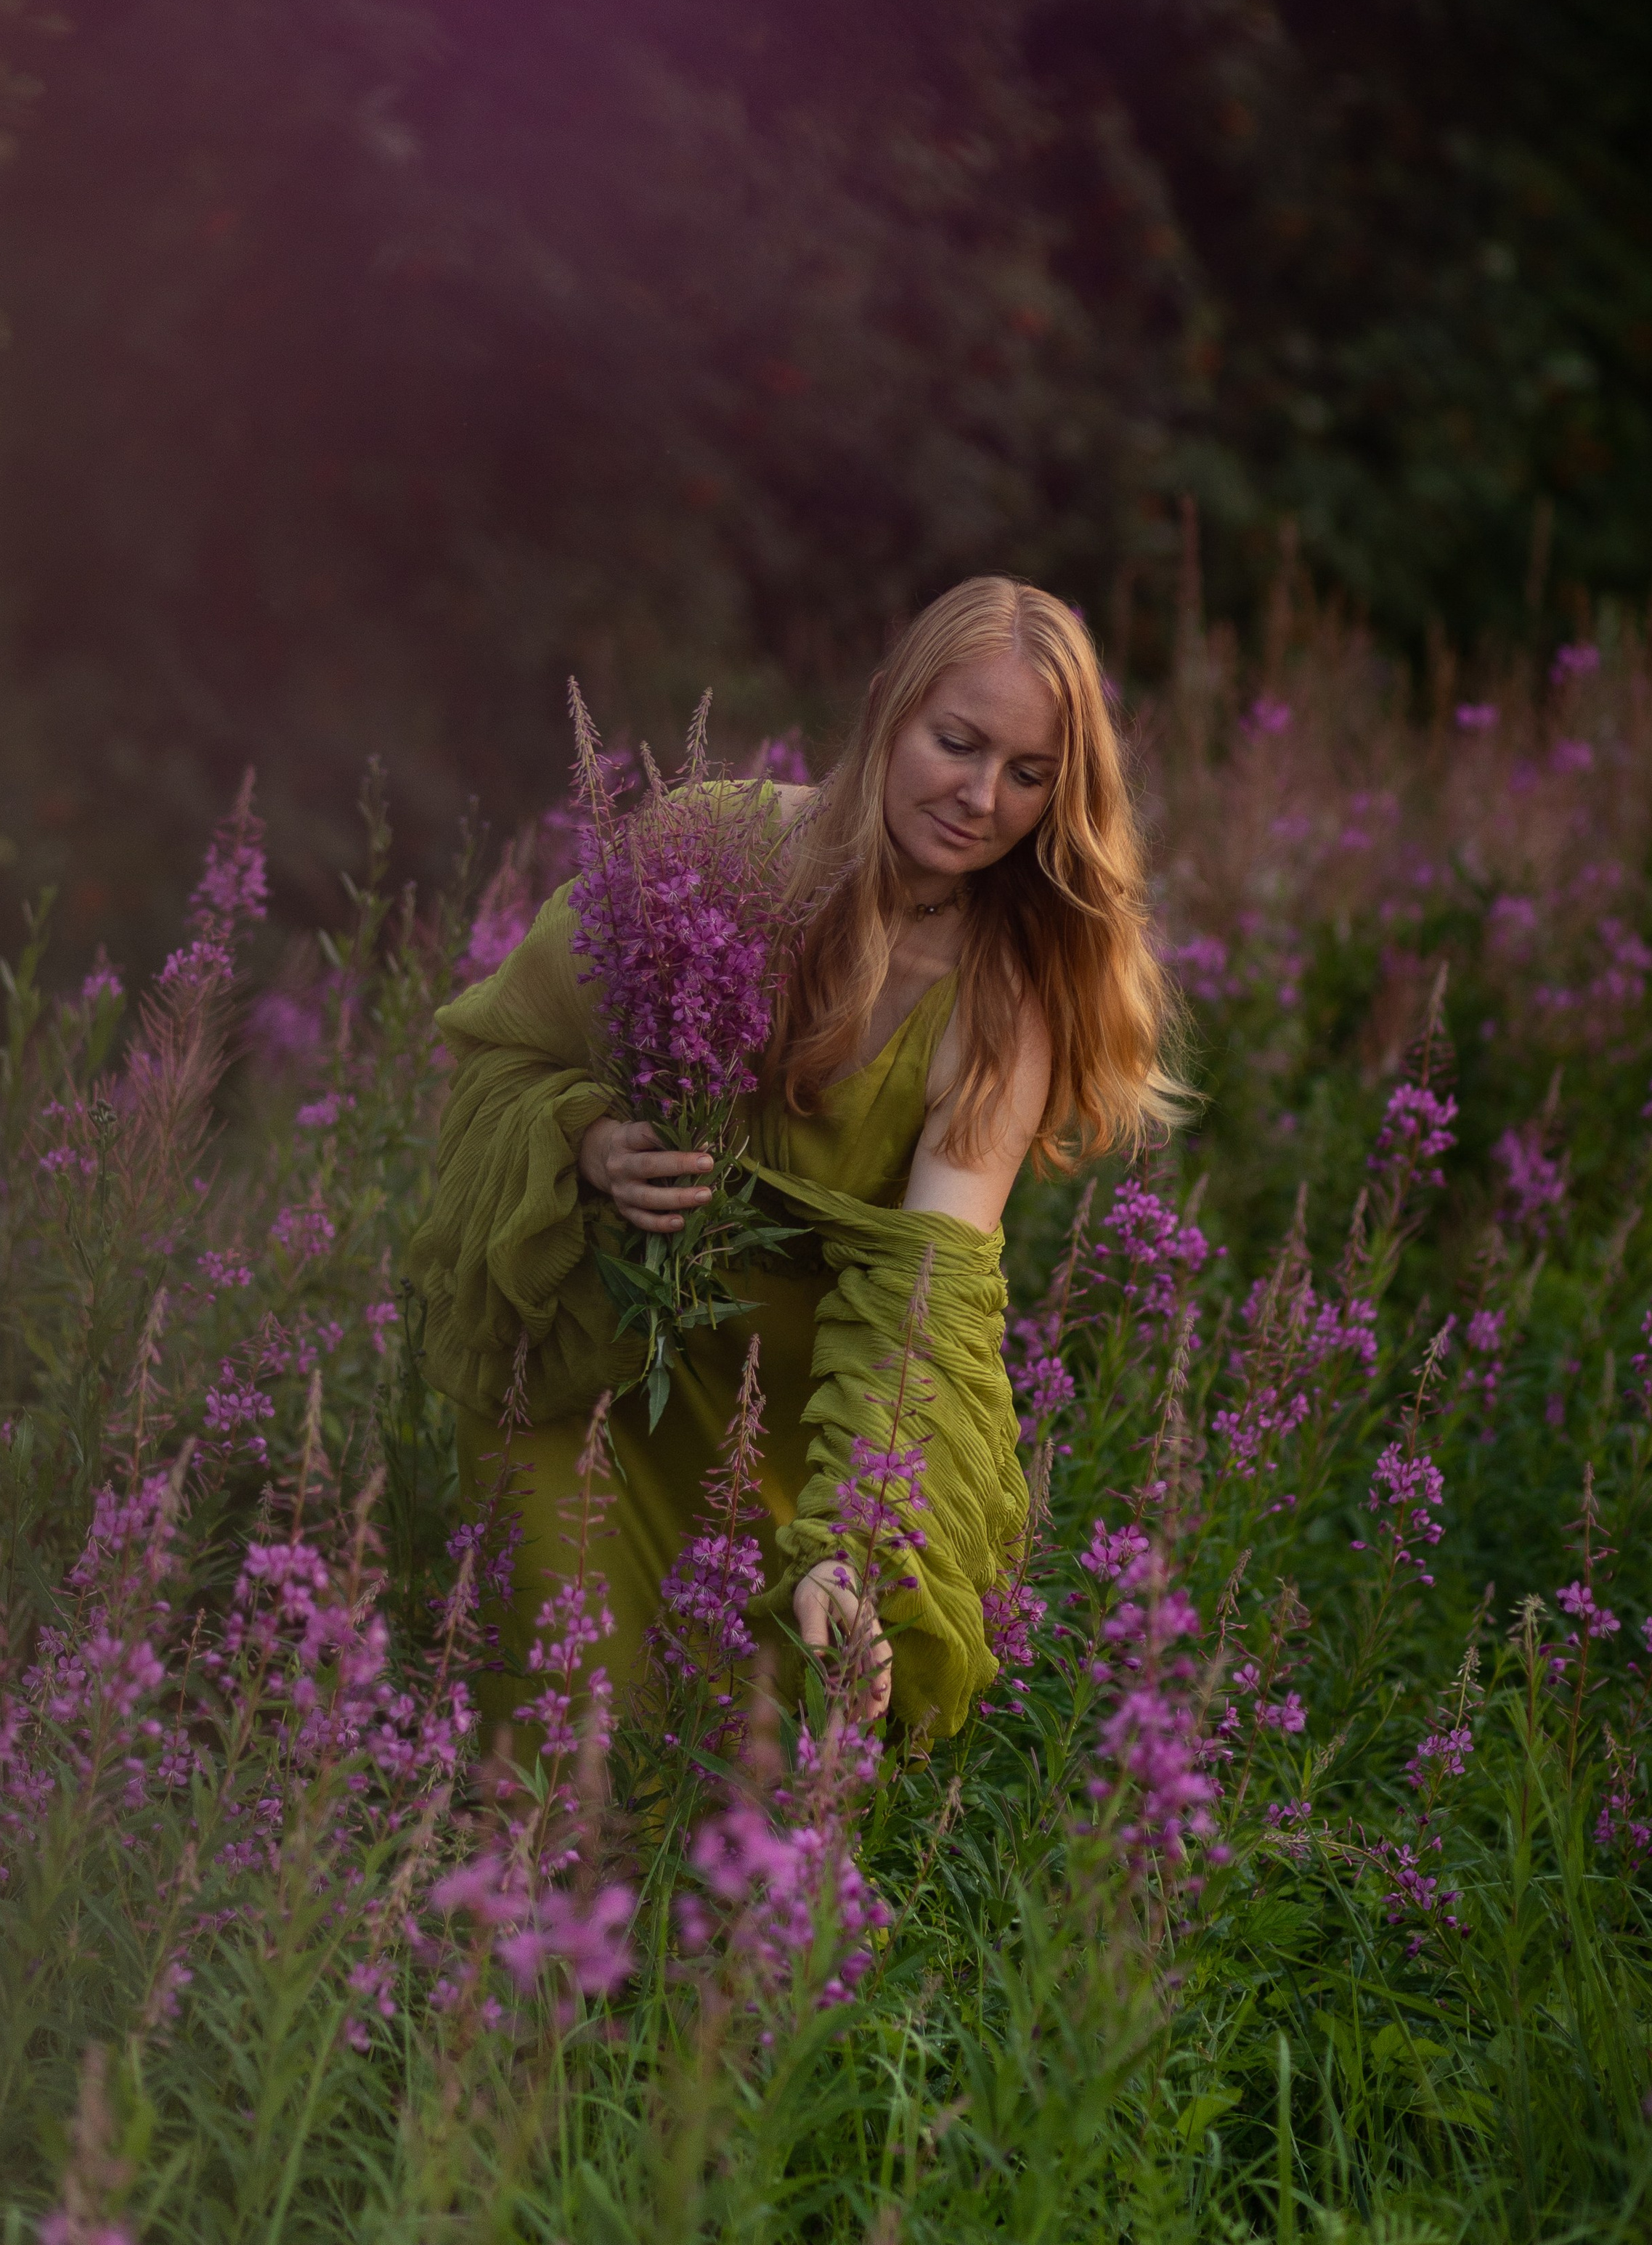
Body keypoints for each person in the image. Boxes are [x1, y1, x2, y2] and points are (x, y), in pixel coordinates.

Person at [410, 576, 1181, 1742]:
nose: (981, 799)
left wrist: (855, 1545)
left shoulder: (1009, 996)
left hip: (775, 1437)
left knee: (727, 1798)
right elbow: (501, 1059)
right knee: (548, 1747)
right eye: (956, 743)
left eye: (1029, 775)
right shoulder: (702, 847)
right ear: (885, 710)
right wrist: (588, 1140)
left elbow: (924, 1289)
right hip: (583, 1371)